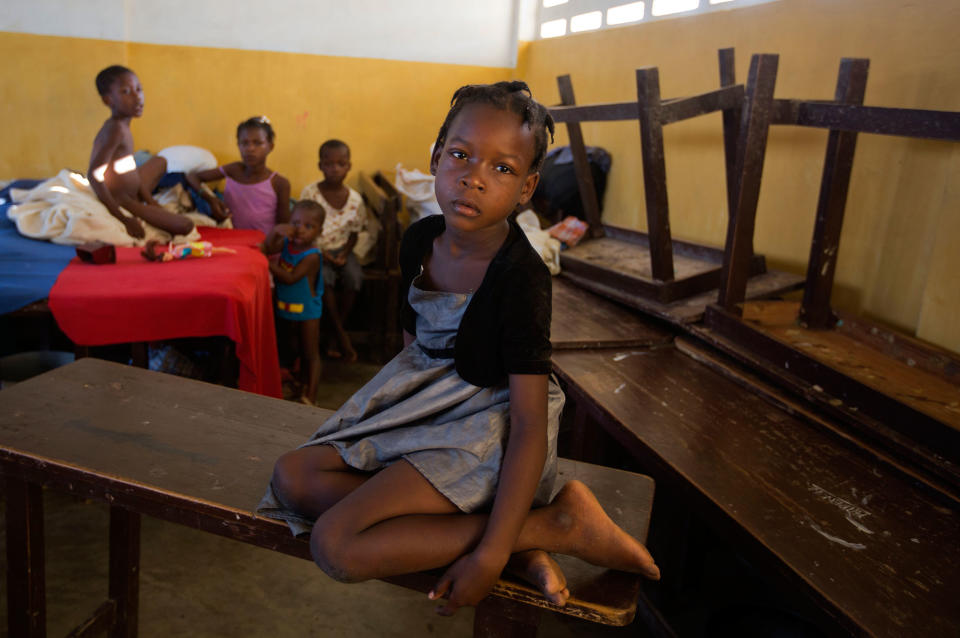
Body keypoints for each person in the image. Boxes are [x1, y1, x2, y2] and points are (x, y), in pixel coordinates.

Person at [258, 81, 659, 616]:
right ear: (436, 157)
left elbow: (528, 422)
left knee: (335, 543)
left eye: (502, 168)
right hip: (429, 406)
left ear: (526, 188)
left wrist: (488, 556)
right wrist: (398, 427)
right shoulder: (419, 240)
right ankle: (523, 538)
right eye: (461, 155)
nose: (473, 177)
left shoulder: (521, 278)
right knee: (292, 478)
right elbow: (412, 348)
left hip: (489, 425)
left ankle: (547, 525)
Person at [89, 65, 195, 239]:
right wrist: (123, 218)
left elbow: (130, 168)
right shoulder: (114, 130)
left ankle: (147, 201)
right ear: (108, 101)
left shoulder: (124, 125)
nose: (137, 97)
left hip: (134, 188)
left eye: (139, 89)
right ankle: (141, 206)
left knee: (160, 161)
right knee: (185, 225)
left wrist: (152, 202)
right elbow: (94, 175)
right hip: (123, 199)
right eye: (126, 92)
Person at [299, 139, 365, 362]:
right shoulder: (310, 193)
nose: (334, 168)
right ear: (320, 165)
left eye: (340, 163)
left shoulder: (355, 199)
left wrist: (345, 254)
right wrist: (325, 255)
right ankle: (339, 336)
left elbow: (355, 232)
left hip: (342, 250)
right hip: (315, 250)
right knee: (323, 279)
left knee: (354, 278)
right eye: (329, 163)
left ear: (348, 166)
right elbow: (303, 228)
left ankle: (336, 332)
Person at [262, 200, 325, 406]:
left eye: (308, 226)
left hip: (307, 311)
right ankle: (297, 384)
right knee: (291, 349)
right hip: (286, 307)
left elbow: (289, 278)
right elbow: (268, 247)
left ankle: (311, 396)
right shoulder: (287, 244)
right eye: (296, 223)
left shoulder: (312, 256)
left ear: (319, 231)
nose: (300, 230)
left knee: (310, 354)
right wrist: (276, 232)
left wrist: (268, 264)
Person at [186, 116, 291, 236]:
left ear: (270, 146)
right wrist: (210, 199)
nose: (250, 149)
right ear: (238, 145)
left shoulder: (279, 183)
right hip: (231, 240)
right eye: (244, 143)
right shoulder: (233, 170)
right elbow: (192, 177)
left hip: (262, 246)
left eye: (257, 143)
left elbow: (283, 228)